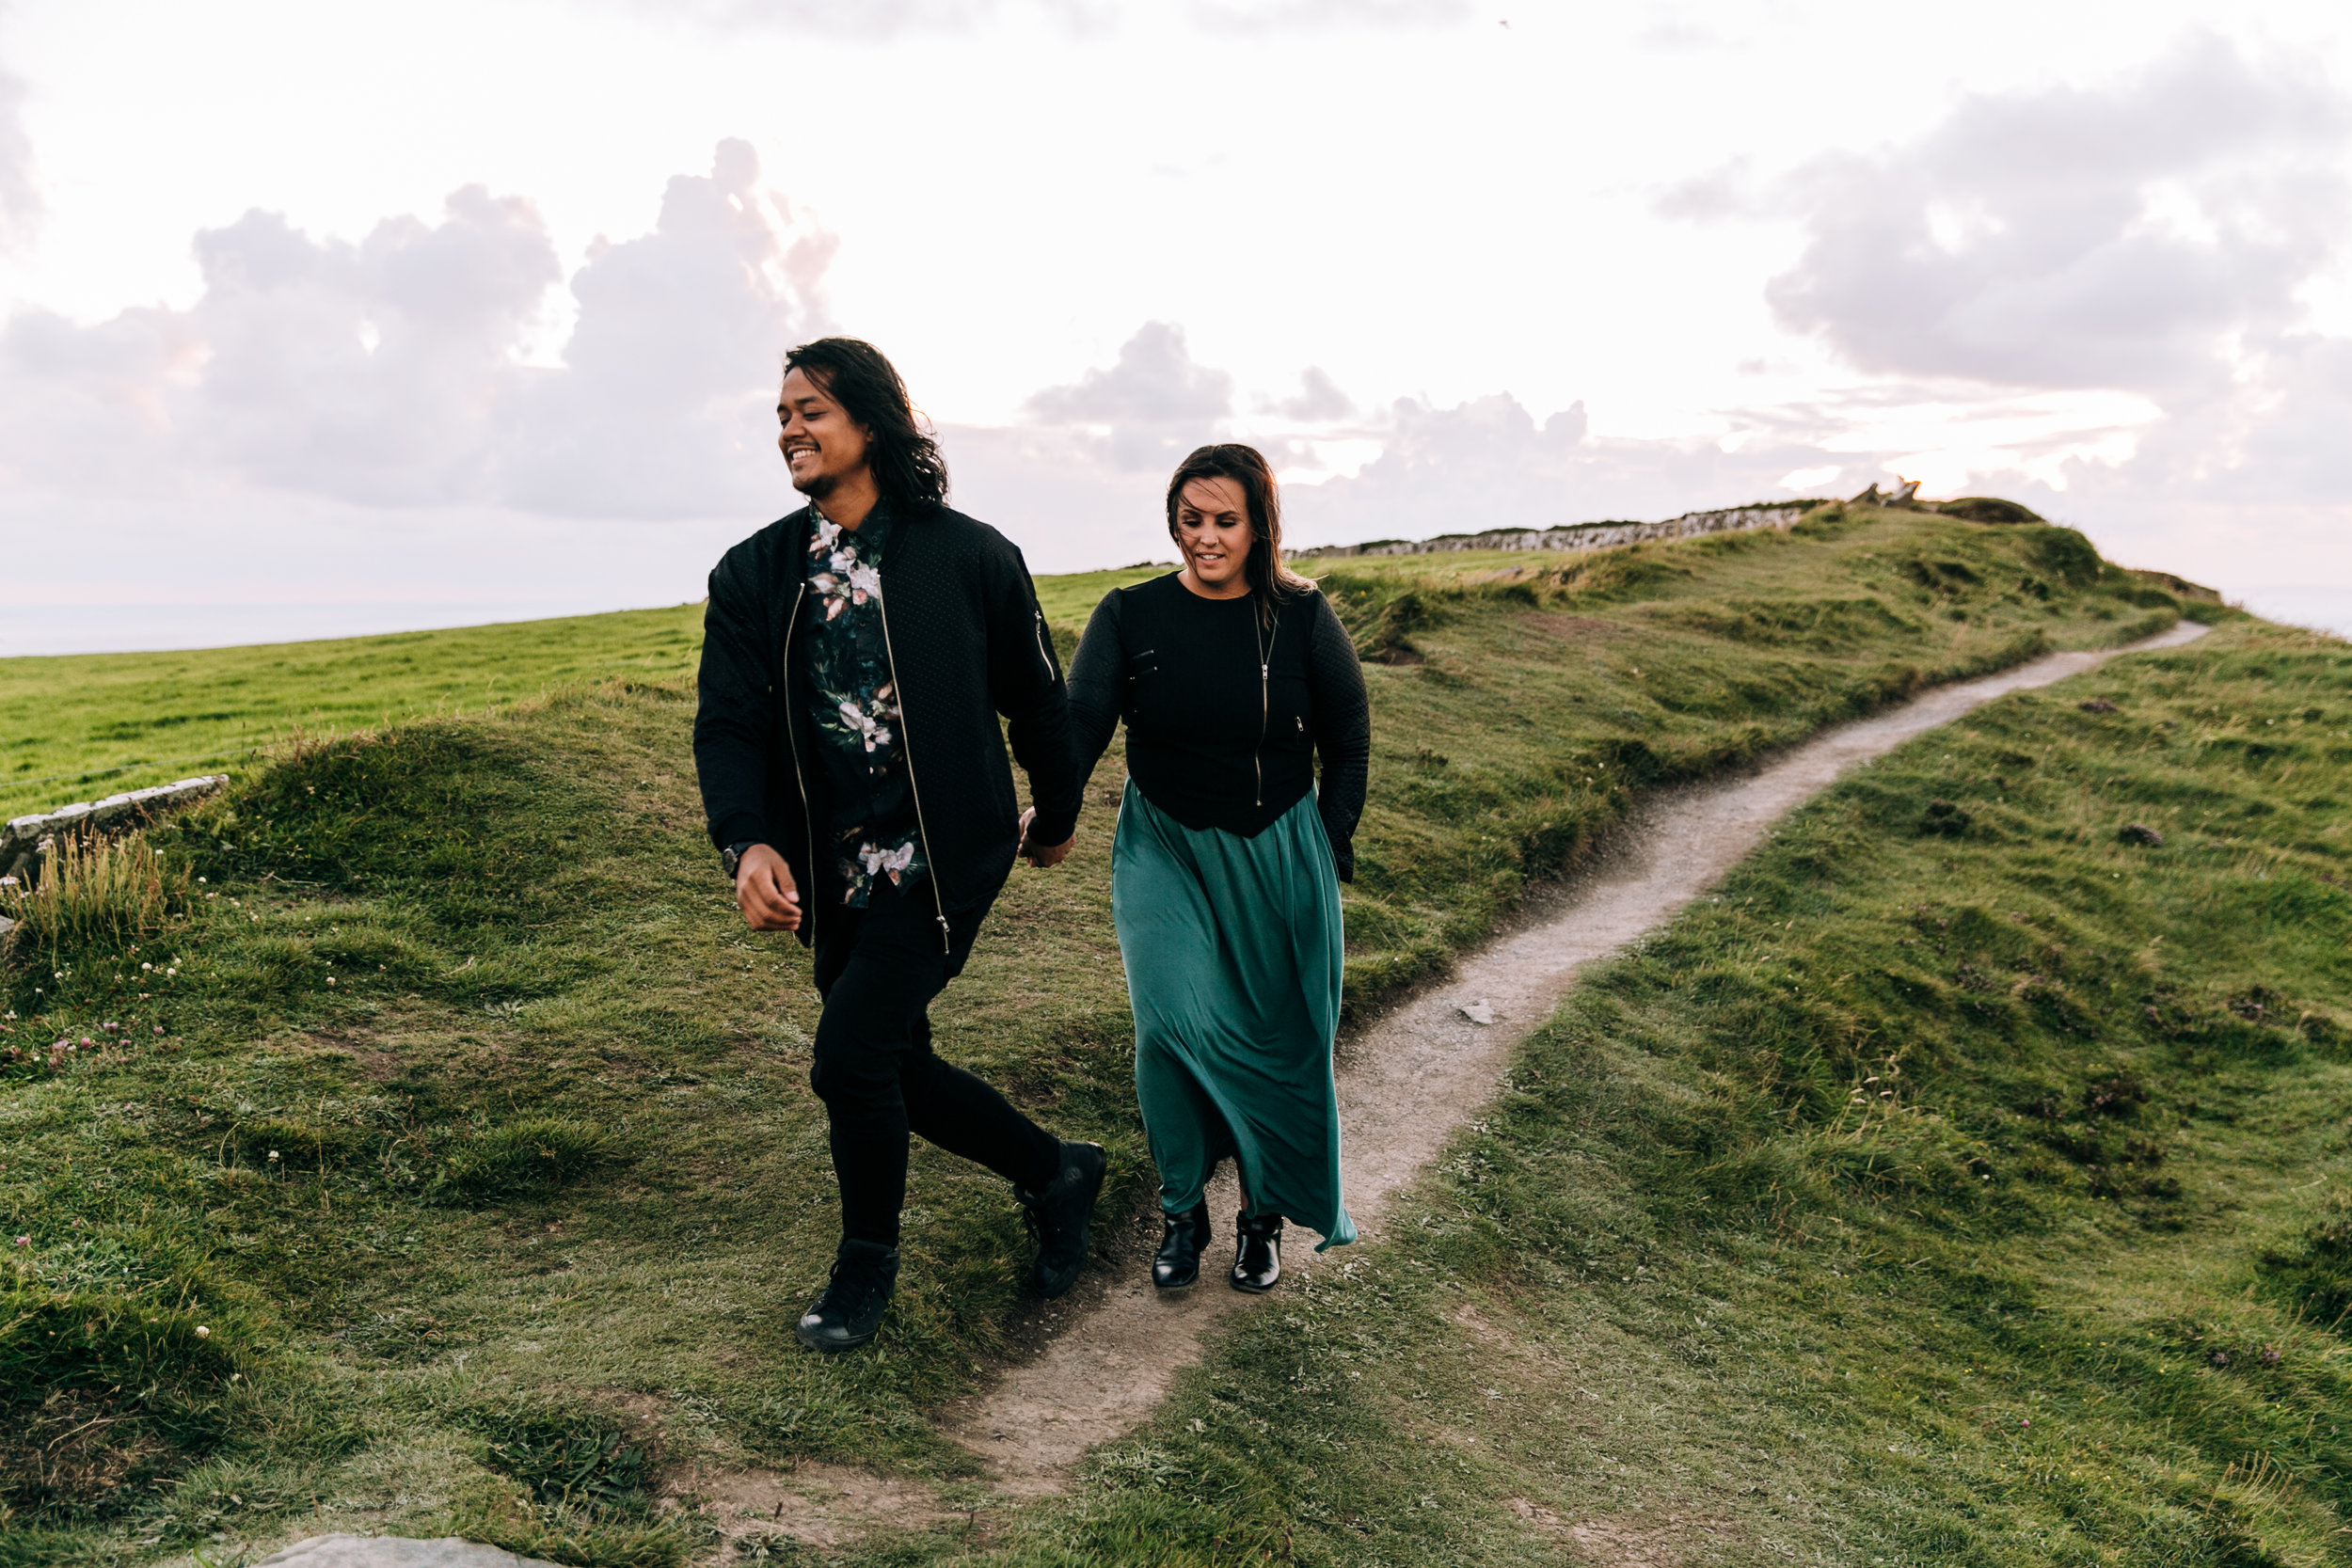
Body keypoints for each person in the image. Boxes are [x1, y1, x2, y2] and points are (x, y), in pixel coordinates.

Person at [692, 337, 1105, 1353]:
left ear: (871, 422)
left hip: (942, 858)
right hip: (830, 875)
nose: (789, 427)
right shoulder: (755, 574)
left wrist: (1052, 818)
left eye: (811, 410)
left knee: (850, 1055)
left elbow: (1036, 701)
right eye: (781, 413)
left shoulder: (967, 556)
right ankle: (1056, 1169)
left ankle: (865, 1260)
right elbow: (730, 723)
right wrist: (747, 841)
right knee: (889, 1059)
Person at [1066, 443, 1369, 1293]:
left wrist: (1327, 841)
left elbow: (1348, 735)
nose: (1204, 537)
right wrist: (1050, 807)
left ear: (1259, 525)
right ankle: (1180, 1211)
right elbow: (1084, 721)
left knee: (1281, 1039)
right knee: (1169, 1029)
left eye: (1224, 520)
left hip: (1278, 848)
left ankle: (1260, 1221)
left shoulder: (1302, 616)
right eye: (1189, 518)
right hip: (1163, 846)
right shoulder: (1130, 614)